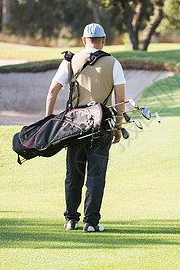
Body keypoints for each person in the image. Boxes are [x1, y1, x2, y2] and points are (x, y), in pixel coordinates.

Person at [45, 23, 126, 233]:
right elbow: (120, 100)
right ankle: (91, 223)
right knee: (96, 175)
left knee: (74, 174)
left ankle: (71, 220)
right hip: (102, 126)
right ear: (104, 40)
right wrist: (118, 128)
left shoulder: (70, 61)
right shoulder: (113, 63)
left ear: (83, 41)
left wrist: (49, 123)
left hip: (74, 126)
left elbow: (53, 92)